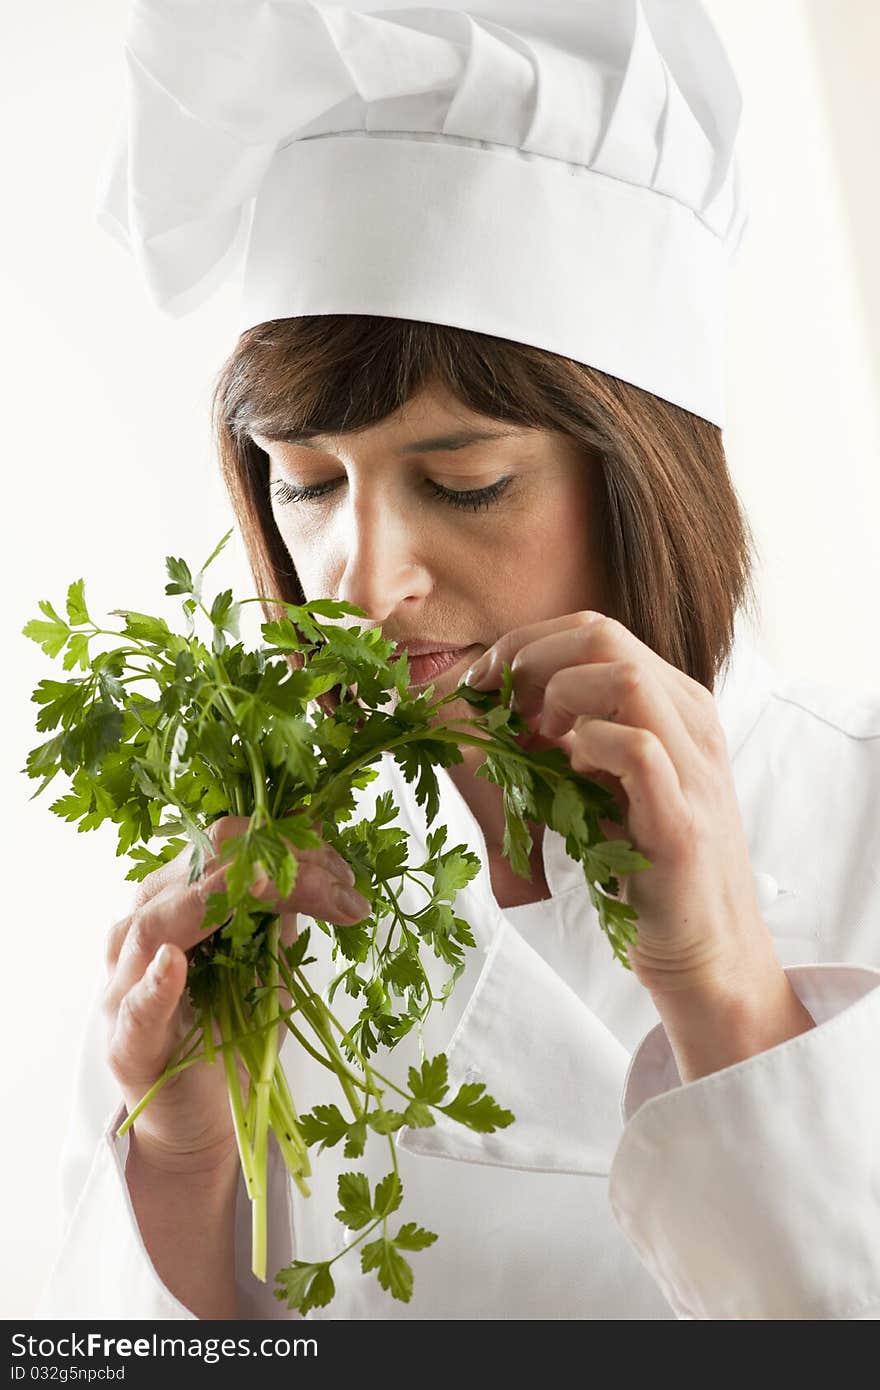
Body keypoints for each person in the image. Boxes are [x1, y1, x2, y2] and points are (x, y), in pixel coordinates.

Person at [38, 1, 880, 1320]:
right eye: (309, 484)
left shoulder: (861, 812)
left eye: (468, 480)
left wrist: (727, 993)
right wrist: (184, 1172)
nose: (364, 582)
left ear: (638, 475)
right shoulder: (243, 910)